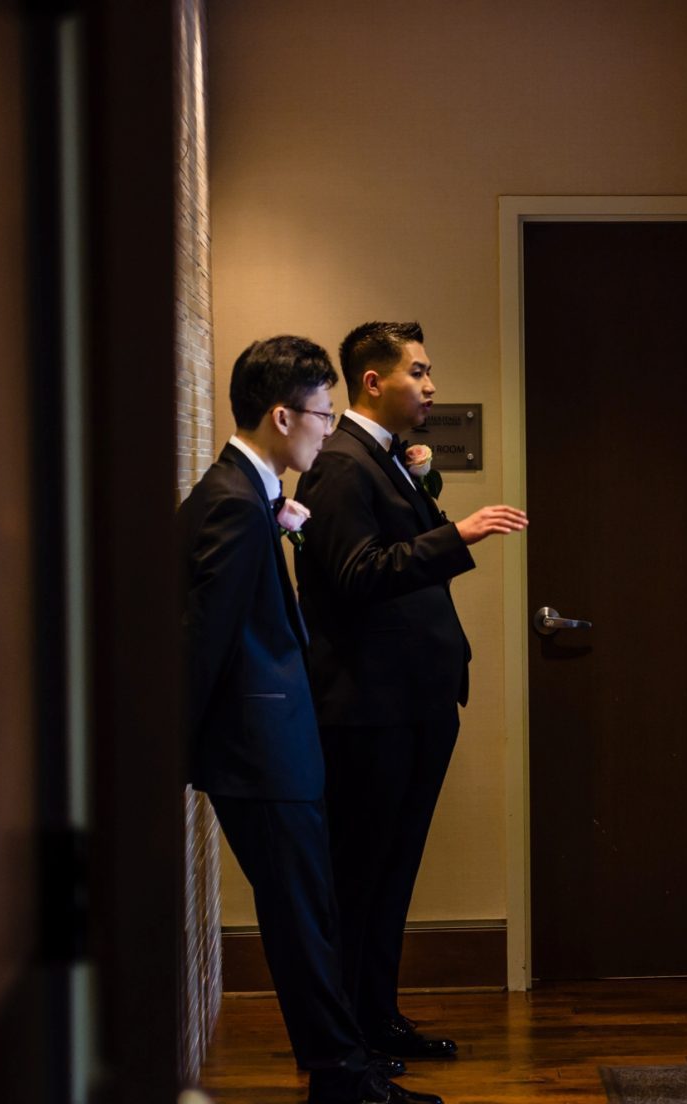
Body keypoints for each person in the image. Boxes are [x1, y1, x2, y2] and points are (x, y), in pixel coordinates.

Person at [179, 335, 439, 1104]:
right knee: (302, 920)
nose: (329, 430)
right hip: (260, 749)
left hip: (272, 744)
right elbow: (203, 643)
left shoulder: (247, 492)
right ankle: (343, 1079)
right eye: (323, 415)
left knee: (309, 913)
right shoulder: (231, 501)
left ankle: (342, 1072)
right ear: (281, 415)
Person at [293, 322, 527, 1061]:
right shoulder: (338, 466)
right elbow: (358, 574)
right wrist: (457, 532)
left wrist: (426, 489)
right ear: (372, 380)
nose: (430, 386)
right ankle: (347, 1040)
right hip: (368, 709)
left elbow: (395, 553)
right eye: (418, 372)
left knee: (393, 875)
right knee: (359, 879)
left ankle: (378, 1015)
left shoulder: (383, 460)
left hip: (414, 702)